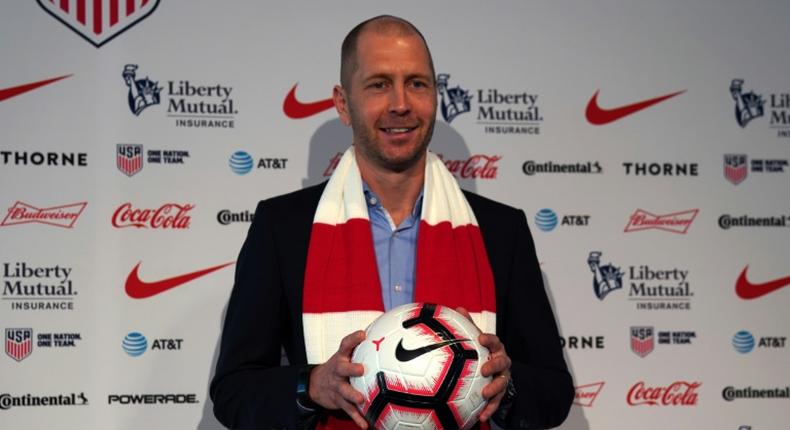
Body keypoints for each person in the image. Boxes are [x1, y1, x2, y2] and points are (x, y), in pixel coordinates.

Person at [210, 15, 573, 430]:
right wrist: (310, 386)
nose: (401, 103)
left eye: (417, 83)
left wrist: (505, 384)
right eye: (379, 84)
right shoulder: (283, 228)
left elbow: (553, 393)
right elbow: (234, 392)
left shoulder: (500, 231)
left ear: (435, 95)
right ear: (344, 103)